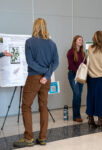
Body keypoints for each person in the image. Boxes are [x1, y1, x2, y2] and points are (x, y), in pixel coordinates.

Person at [13, 18, 59, 148]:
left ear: (35, 27)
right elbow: (56, 62)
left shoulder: (29, 42)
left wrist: (43, 73)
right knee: (43, 106)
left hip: (34, 77)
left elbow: (30, 62)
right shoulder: (52, 43)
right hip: (47, 79)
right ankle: (42, 138)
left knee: (26, 106)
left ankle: (28, 138)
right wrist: (47, 74)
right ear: (45, 27)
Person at [67, 35, 86, 122]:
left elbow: (84, 65)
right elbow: (71, 65)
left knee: (78, 95)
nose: (80, 41)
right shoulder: (70, 52)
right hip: (73, 75)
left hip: (81, 76)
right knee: (77, 94)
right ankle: (76, 116)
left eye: (81, 40)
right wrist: (78, 73)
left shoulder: (83, 53)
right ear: (75, 41)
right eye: (79, 40)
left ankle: (77, 114)